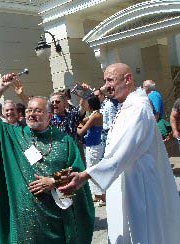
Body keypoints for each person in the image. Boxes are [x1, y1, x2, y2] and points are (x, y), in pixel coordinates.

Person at [59, 63, 180, 244]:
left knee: (142, 233)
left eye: (111, 80)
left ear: (128, 79)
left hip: (139, 185)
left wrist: (86, 175)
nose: (106, 85)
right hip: (126, 178)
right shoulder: (127, 105)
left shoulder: (138, 108)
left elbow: (123, 150)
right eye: (105, 80)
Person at [0, 73, 94, 244]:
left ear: (50, 116)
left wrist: (53, 181)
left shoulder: (64, 141)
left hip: (56, 221)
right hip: (24, 224)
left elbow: (78, 172)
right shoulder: (12, 135)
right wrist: (2, 87)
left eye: (37, 111)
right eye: (29, 110)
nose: (31, 114)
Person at [77, 95, 105, 206]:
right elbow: (82, 120)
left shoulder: (96, 116)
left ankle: (102, 196)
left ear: (90, 105)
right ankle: (97, 195)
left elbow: (81, 131)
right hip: (91, 146)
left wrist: (78, 125)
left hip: (94, 147)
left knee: (92, 171)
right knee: (91, 170)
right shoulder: (94, 115)